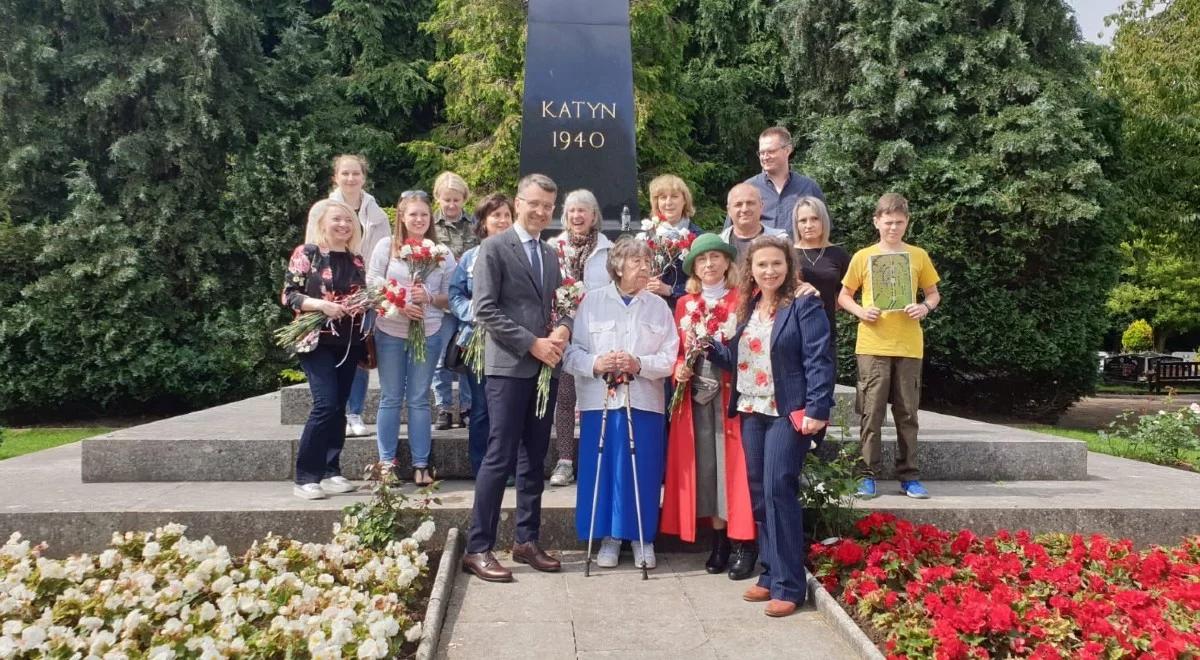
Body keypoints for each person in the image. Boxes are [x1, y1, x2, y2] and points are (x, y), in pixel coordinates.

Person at [707, 235, 835, 617]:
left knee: (780, 488)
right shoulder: (748, 306)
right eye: (761, 265)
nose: (769, 271)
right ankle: (770, 572)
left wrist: (817, 407)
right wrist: (710, 344)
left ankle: (790, 585)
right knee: (760, 493)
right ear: (751, 270)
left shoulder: (804, 304)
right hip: (751, 408)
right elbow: (740, 357)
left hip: (788, 411)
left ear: (789, 266)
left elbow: (819, 357)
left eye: (776, 264)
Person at [462, 173, 573, 582]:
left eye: (548, 206)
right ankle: (478, 547)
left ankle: (526, 540)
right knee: (499, 457)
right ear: (518, 201)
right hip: (508, 368)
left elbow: (562, 302)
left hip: (545, 369)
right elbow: (485, 310)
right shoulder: (492, 248)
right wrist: (532, 344)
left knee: (534, 459)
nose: (542, 211)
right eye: (535, 203)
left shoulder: (550, 254)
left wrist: (563, 327)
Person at [564, 238, 678, 569]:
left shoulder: (657, 306)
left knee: (643, 469)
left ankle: (642, 538)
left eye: (647, 262)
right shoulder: (592, 302)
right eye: (636, 262)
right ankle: (609, 538)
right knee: (604, 468)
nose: (645, 268)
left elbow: (669, 357)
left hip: (644, 400)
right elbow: (573, 354)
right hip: (601, 402)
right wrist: (597, 364)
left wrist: (638, 363)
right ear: (617, 267)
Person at [659, 233, 758, 579]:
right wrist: (679, 368)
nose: (709, 264)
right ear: (694, 268)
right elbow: (676, 349)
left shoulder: (742, 298)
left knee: (733, 468)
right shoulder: (685, 303)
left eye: (715, 257)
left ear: (727, 262)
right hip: (697, 394)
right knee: (707, 468)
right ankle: (719, 541)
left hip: (730, 391)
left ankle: (744, 542)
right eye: (702, 260)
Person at [838, 193, 941, 500]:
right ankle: (866, 474)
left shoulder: (918, 256)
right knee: (871, 412)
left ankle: (909, 476)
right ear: (876, 222)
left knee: (908, 413)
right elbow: (844, 295)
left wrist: (924, 308)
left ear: (907, 222)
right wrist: (860, 311)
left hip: (909, 346)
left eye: (899, 222)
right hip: (871, 344)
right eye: (888, 222)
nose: (893, 227)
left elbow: (933, 294)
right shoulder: (863, 256)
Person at [367, 192, 456, 487]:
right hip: (390, 330)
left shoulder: (441, 253)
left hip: (428, 332)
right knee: (391, 397)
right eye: (413, 214)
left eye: (424, 215)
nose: (419, 220)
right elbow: (372, 285)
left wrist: (428, 297)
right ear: (402, 218)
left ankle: (421, 464)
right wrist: (400, 301)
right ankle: (386, 463)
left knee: (419, 398)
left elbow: (452, 297)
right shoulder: (386, 247)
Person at [280, 199, 367, 500]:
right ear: (322, 223)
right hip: (316, 341)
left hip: (349, 342)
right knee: (325, 404)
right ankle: (306, 476)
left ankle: (332, 470)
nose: (343, 225)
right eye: (337, 220)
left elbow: (360, 296)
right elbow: (289, 295)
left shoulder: (356, 260)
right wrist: (322, 306)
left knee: (339, 406)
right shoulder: (307, 254)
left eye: (348, 220)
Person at [548, 189, 614, 488]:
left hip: (598, 333)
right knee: (564, 397)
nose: (577, 216)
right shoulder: (552, 248)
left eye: (583, 211)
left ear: (593, 215)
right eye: (572, 211)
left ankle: (595, 455)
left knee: (598, 398)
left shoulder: (608, 250)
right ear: (565, 215)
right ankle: (564, 460)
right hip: (562, 332)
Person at [448, 194, 514, 476]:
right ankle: (482, 466)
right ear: (484, 223)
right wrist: (475, 311)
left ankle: (509, 467)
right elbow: (455, 294)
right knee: (482, 407)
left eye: (506, 215)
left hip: (512, 342)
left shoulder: (522, 253)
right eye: (495, 215)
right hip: (478, 339)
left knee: (509, 409)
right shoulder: (470, 257)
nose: (501, 220)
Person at [328, 154, 391, 439]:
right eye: (345, 174)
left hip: (365, 291)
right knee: (334, 353)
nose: (351, 178)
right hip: (331, 292)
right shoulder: (325, 209)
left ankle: (354, 412)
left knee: (360, 351)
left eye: (356, 173)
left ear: (363, 177)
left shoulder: (376, 213)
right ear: (336, 177)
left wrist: (376, 292)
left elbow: (386, 253)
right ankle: (336, 411)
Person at [723, 126, 825, 237]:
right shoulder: (748, 188)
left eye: (770, 151)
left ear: (787, 150)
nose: (765, 157)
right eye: (762, 153)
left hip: (799, 253)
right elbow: (729, 232)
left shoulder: (808, 187)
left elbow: (825, 228)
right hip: (757, 253)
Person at [432, 172, 475, 431]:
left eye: (456, 200)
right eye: (446, 199)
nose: (451, 205)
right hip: (441, 300)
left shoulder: (474, 225)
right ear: (438, 198)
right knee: (440, 358)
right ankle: (444, 407)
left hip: (468, 300)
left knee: (466, 356)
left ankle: (467, 407)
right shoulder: (431, 226)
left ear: (464, 199)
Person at [792, 196, 851, 381]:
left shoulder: (838, 254)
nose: (808, 225)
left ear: (823, 220)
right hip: (793, 332)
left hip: (826, 333)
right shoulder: (787, 253)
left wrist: (834, 304)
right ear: (796, 224)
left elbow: (849, 292)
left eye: (814, 219)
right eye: (803, 220)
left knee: (823, 391)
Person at [641, 174, 702, 310]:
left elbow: (706, 280)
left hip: (684, 310)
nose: (668, 202)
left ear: (684, 201)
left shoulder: (697, 237)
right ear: (656, 202)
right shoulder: (646, 236)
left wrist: (671, 290)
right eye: (663, 197)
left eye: (674, 196)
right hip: (648, 310)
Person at [719, 183, 786, 261]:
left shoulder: (780, 241)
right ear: (729, 210)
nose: (744, 209)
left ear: (761, 207)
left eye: (750, 203)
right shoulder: (719, 244)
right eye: (738, 204)